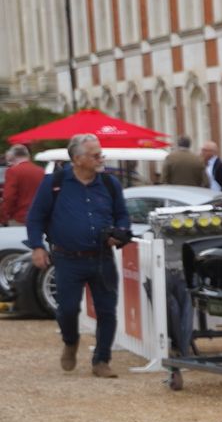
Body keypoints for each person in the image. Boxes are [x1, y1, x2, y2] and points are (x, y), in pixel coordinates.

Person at [25, 133, 131, 378]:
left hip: (102, 257)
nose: (100, 158)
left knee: (107, 310)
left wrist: (121, 232)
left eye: (100, 153)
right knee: (67, 309)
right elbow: (36, 217)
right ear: (78, 159)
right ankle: (70, 341)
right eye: (95, 155)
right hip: (67, 259)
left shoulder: (109, 184)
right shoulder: (55, 182)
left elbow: (122, 215)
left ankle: (101, 360)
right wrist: (36, 246)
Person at [1, 143, 41, 225]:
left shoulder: (13, 171)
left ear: (12, 157)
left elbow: (9, 197)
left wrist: (3, 216)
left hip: (19, 217)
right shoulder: (41, 171)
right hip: (38, 217)